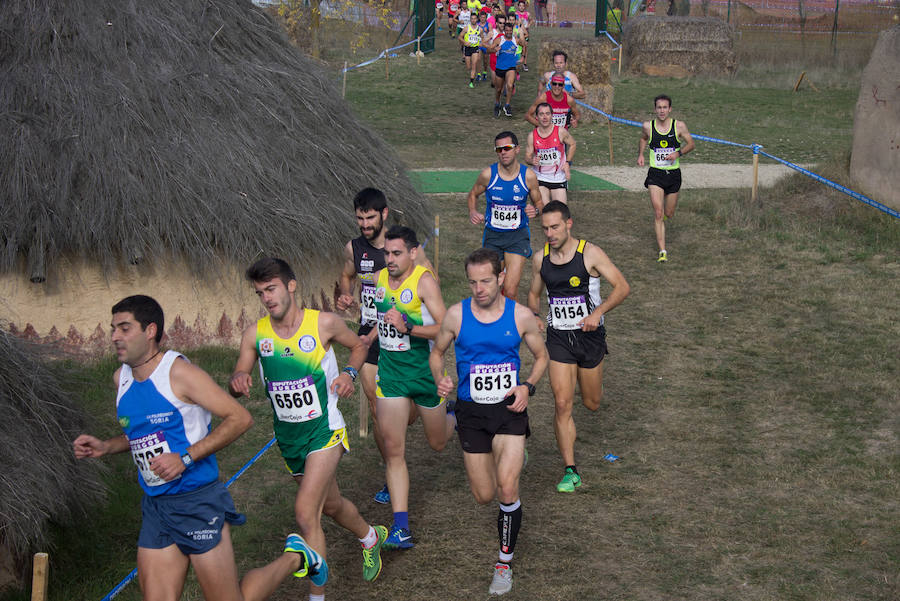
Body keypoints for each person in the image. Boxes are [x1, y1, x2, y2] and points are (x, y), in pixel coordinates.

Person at [74, 295, 324, 601]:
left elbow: (240, 418)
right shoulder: (121, 379)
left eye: (124, 328)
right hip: (157, 508)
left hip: (197, 502)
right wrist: (105, 446)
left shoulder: (179, 374)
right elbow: (143, 436)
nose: (114, 336)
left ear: (150, 330)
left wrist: (185, 458)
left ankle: (296, 557)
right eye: (113, 328)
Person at [230, 258, 389, 600]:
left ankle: (316, 597)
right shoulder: (256, 335)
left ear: (291, 285)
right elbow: (238, 372)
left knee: (306, 513)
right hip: (289, 439)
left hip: (324, 430)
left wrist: (348, 374)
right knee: (329, 505)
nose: (267, 298)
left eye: (271, 289)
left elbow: (359, 345)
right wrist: (238, 379)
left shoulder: (323, 324)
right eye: (260, 293)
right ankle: (370, 536)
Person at [430, 248, 548, 596]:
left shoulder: (521, 316)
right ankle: (509, 458)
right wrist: (440, 378)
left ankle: (503, 563)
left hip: (509, 410)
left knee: (507, 488)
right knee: (484, 495)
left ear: (500, 278)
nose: (478, 288)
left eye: (485, 281)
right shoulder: (455, 316)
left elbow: (542, 356)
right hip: (471, 413)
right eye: (472, 282)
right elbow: (437, 353)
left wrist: (528, 386)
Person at [335, 188, 433, 506]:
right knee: (379, 411)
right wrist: (346, 294)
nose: (364, 225)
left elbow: (428, 280)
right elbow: (346, 275)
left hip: (406, 335)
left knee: (409, 416)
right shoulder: (354, 247)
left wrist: (411, 314)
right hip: (370, 335)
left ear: (384, 214)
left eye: (370, 218)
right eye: (360, 218)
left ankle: (434, 408)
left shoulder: (400, 247)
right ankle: (392, 470)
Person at [527, 202, 630, 493]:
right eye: (545, 228)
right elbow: (533, 294)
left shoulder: (590, 253)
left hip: (589, 338)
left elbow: (622, 287)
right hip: (558, 338)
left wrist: (598, 314)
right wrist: (535, 315)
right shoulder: (540, 259)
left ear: (568, 224)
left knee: (591, 402)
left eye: (555, 227)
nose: (549, 233)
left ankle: (591, 389)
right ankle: (570, 470)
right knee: (562, 404)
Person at [366, 225, 455, 549]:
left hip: (424, 375)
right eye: (387, 253)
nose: (390, 259)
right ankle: (400, 527)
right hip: (391, 377)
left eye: (397, 253)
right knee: (393, 450)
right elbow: (380, 319)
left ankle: (453, 417)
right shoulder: (378, 281)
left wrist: (410, 327)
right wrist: (372, 335)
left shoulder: (424, 282)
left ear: (413, 253)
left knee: (438, 442)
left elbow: (446, 328)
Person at [467, 131, 542, 302]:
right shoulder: (488, 175)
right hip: (493, 236)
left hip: (518, 236)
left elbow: (540, 204)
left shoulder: (528, 176)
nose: (503, 152)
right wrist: (473, 211)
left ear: (517, 149)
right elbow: (473, 194)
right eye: (499, 149)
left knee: (509, 290)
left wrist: (536, 211)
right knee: (490, 287)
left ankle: (509, 327)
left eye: (507, 148)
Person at [637, 94, 695, 262]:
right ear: (655, 109)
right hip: (655, 173)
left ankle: (661, 220)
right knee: (658, 212)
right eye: (659, 107)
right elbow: (643, 138)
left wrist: (678, 153)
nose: (661, 110)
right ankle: (663, 251)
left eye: (664, 107)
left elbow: (691, 144)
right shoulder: (648, 126)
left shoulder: (679, 126)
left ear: (669, 109)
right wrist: (641, 154)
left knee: (668, 213)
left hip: (674, 175)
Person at [524, 101, 577, 205]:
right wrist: (531, 160)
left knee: (560, 210)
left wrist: (567, 163)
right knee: (545, 208)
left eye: (547, 114)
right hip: (540, 177)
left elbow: (573, 144)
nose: (545, 117)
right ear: (536, 117)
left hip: (558, 177)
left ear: (552, 116)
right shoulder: (532, 136)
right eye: (541, 114)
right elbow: (527, 156)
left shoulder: (560, 132)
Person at [489, 22, 522, 117]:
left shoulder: (516, 40)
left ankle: (507, 105)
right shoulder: (499, 40)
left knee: (510, 85)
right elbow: (488, 50)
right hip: (500, 67)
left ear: (512, 31)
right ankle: (497, 103)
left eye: (510, 31)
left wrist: (523, 57)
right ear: (504, 31)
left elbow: (524, 44)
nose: (508, 32)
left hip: (511, 67)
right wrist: (494, 49)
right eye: (506, 30)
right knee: (499, 89)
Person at [460, 13, 483, 87]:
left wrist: (480, 43)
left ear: (477, 19)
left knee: (474, 64)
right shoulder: (466, 28)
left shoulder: (480, 29)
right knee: (468, 67)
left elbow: (482, 38)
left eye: (475, 18)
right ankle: (472, 73)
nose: (473, 20)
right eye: (472, 18)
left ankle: (471, 82)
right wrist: (464, 42)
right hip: (467, 48)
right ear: (470, 19)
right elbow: (460, 37)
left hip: (475, 48)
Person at [514, 1, 530, 70]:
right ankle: (516, 62)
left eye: (523, 6)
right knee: (517, 48)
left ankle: (525, 63)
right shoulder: (516, 13)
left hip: (525, 32)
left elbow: (531, 20)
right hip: (517, 31)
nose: (521, 7)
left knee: (525, 47)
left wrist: (528, 25)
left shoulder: (527, 14)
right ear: (518, 6)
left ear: (525, 7)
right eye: (520, 5)